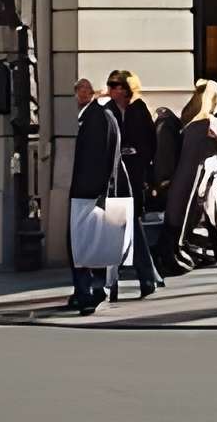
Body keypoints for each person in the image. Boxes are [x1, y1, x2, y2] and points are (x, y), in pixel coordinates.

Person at [157, 79, 217, 283]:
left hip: (189, 180)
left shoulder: (190, 123)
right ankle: (157, 269)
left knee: (202, 223)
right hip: (203, 182)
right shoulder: (210, 123)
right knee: (193, 224)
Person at [67, 77, 128, 316]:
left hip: (89, 195)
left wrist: (93, 194)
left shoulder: (96, 118)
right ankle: (90, 291)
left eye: (81, 89)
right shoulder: (104, 116)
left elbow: (93, 161)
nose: (78, 94)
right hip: (97, 193)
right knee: (94, 246)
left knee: (83, 248)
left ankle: (88, 293)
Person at [107, 68, 164, 299]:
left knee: (130, 225)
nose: (111, 89)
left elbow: (150, 144)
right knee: (121, 227)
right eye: (110, 85)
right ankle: (144, 277)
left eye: (115, 85)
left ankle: (139, 277)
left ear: (125, 89)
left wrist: (137, 157)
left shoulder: (138, 110)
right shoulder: (107, 111)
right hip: (113, 179)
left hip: (134, 177)